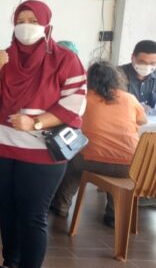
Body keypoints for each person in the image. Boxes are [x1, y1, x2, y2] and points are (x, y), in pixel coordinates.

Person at [0, 0, 86, 268]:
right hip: (1, 147)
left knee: (33, 215)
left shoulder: (65, 59)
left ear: (46, 24)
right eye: (20, 19)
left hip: (41, 154)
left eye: (33, 20)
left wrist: (35, 122)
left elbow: (75, 104)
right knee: (8, 207)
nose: (26, 26)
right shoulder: (5, 56)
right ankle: (11, 264)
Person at [51, 61, 146, 225]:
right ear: (117, 79)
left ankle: (61, 205)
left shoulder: (84, 98)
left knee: (72, 164)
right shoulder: (129, 99)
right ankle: (113, 215)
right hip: (130, 165)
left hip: (91, 161)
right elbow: (142, 120)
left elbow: (69, 119)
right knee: (116, 175)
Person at [120, 40, 156, 114]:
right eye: (142, 62)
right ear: (132, 58)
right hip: (124, 118)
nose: (147, 67)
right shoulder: (116, 75)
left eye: (152, 63)